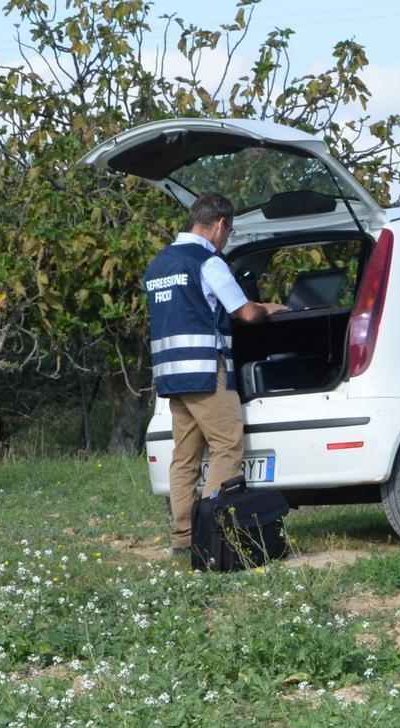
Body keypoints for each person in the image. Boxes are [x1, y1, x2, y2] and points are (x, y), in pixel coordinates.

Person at [141, 193, 286, 556]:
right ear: (220, 224)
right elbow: (244, 313)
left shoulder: (158, 265)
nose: (226, 240)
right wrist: (268, 307)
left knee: (185, 457)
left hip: (171, 376)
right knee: (227, 446)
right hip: (207, 371)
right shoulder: (207, 262)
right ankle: (214, 532)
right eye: (229, 232)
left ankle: (184, 538)